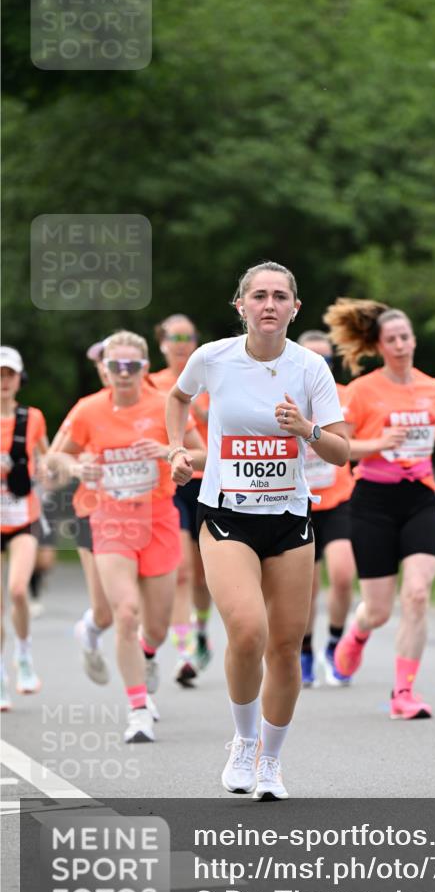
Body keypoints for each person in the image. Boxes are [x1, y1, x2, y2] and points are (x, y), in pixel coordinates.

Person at [166, 261, 349, 799]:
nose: (269, 305)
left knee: (287, 646)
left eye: (280, 297)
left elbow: (339, 451)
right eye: (259, 296)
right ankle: (244, 743)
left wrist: (307, 429)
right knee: (248, 631)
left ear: (295, 308)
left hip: (290, 518)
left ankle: (271, 760)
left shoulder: (311, 368)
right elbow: (178, 398)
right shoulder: (212, 359)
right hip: (226, 515)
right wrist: (178, 448)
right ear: (241, 306)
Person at [54, 331, 205, 742]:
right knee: (124, 613)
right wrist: (75, 468)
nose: (124, 374)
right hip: (110, 520)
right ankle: (138, 709)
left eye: (132, 366)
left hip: (158, 519)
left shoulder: (165, 405)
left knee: (155, 628)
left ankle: (149, 654)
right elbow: (55, 458)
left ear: (143, 368)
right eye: (116, 366)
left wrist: (171, 454)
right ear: (105, 368)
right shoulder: (88, 410)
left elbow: (206, 455)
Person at [324, 299, 435, 720]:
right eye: (392, 339)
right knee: (380, 610)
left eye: (406, 337)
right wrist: (379, 445)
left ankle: (403, 692)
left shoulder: (434, 388)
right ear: (379, 345)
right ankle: (359, 629)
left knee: (418, 594)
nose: (401, 345)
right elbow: (340, 448)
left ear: (414, 340)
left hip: (420, 497)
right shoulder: (363, 391)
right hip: (373, 502)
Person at [47, 339, 114, 687]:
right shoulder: (85, 410)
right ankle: (89, 630)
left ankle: (141, 691)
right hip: (94, 512)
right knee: (107, 611)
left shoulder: (154, 401)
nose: (110, 367)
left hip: (145, 514)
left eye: (117, 360)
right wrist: (75, 467)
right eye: (103, 362)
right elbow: (50, 467)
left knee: (147, 606)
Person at [151, 315, 212, 685]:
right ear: (162, 343)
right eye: (174, 336)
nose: (181, 343)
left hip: (208, 479)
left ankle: (202, 630)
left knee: (205, 576)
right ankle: (185, 649)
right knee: (182, 571)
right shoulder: (152, 383)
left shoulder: (211, 378)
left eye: (188, 337)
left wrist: (205, 412)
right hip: (170, 482)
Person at [297, 330, 356, 687]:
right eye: (313, 360)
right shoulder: (284, 395)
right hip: (298, 502)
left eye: (327, 361)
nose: (321, 367)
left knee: (344, 575)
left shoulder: (345, 396)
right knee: (306, 588)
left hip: (339, 500)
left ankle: (335, 645)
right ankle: (304, 650)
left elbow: (356, 442)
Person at [1, 346, 49, 710]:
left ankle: (23, 655)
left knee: (18, 590)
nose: (4, 381)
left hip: (23, 519)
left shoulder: (32, 418)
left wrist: (49, 471)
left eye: (9, 374)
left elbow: (46, 458)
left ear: (20, 379)